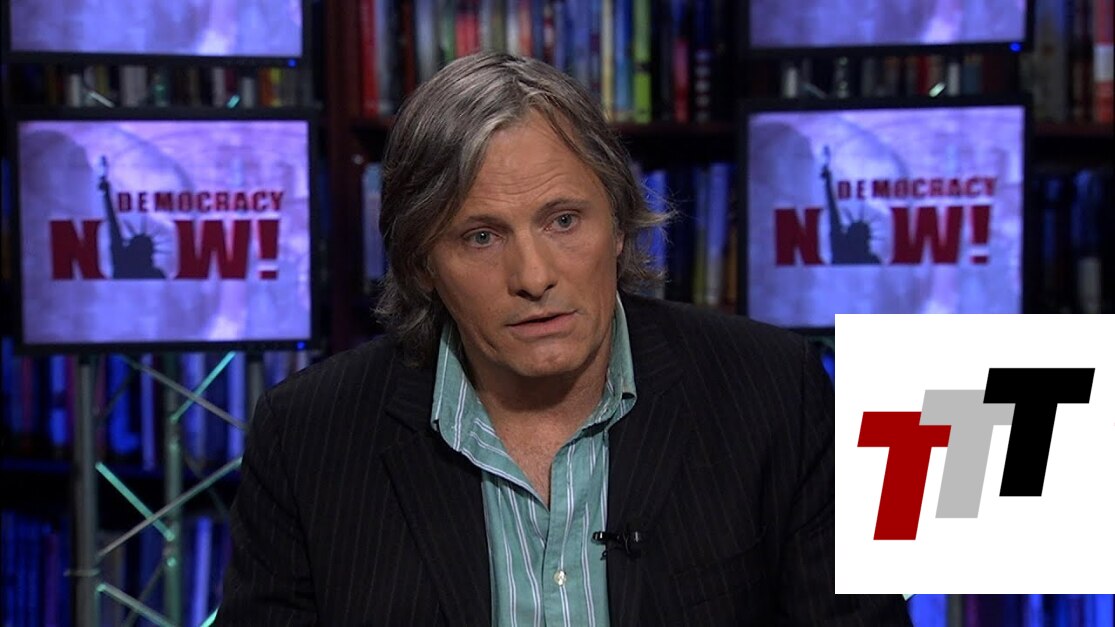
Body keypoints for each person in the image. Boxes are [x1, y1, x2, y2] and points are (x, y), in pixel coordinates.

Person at [217, 51, 911, 625]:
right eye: (480, 236)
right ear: (423, 264)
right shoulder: (307, 436)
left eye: (563, 220)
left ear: (619, 225)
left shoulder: (772, 390)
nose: (533, 276)